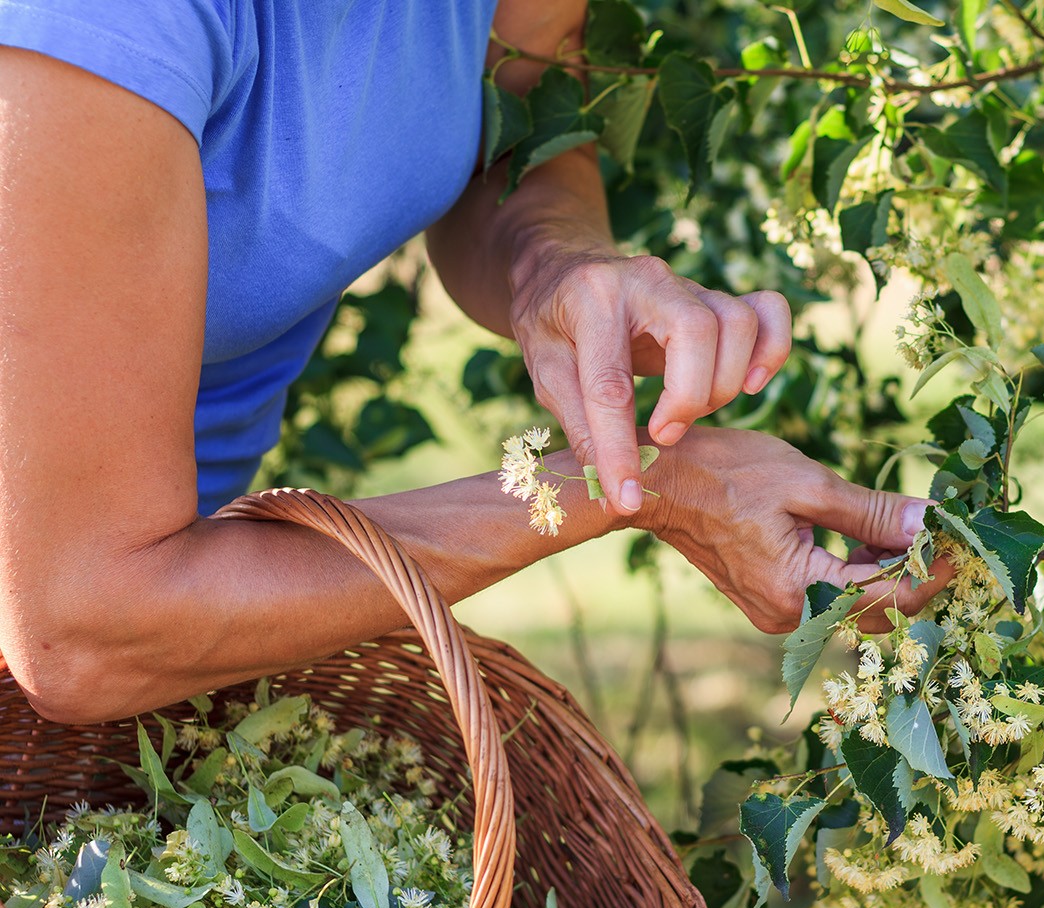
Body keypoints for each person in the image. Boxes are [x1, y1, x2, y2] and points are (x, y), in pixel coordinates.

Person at [0, 0, 949, 727]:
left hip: (195, 581)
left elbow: (518, 129)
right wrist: (640, 486)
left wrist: (556, 264)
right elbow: (84, 629)